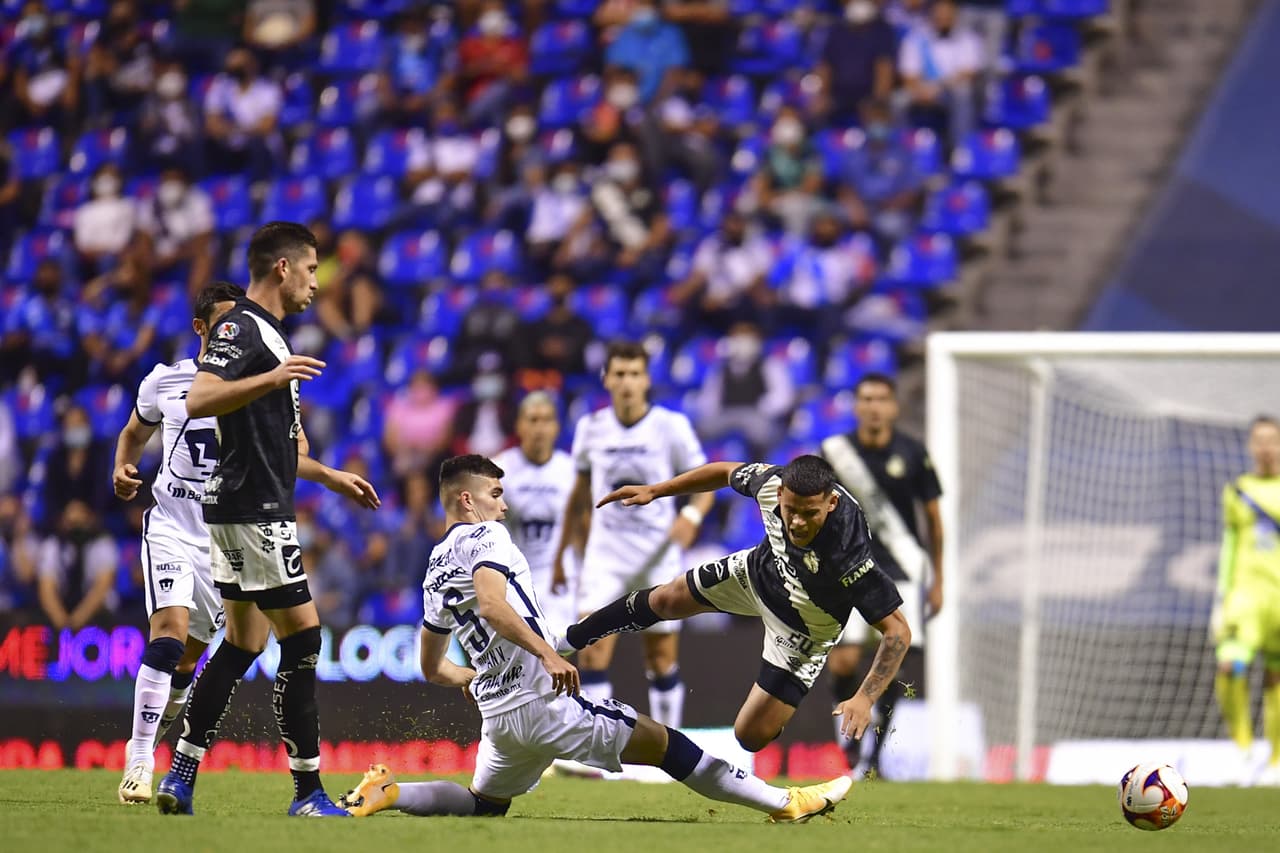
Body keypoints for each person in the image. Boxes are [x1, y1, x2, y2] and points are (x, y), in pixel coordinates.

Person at [336, 454, 851, 823]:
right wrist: (546, 656)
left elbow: (432, 668)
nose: (505, 507)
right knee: (667, 745)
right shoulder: (487, 536)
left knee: (485, 803)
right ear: (467, 500)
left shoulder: (433, 567)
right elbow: (494, 606)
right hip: (543, 703)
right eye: (496, 495)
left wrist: (471, 674)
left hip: (499, 719)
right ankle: (785, 804)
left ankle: (391, 791)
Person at [155, 222, 381, 818]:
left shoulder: (271, 335)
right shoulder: (243, 327)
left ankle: (179, 776)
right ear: (282, 268)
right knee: (304, 639)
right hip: (254, 510)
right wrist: (273, 378)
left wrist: (331, 476)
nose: (315, 282)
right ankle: (307, 793)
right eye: (310, 270)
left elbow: (278, 439)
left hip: (239, 508)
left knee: (242, 642)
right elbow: (199, 398)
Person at [563, 454, 911, 755]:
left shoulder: (850, 553)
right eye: (790, 511)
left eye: (810, 513)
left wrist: (865, 698)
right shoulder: (772, 482)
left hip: (803, 628)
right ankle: (570, 639)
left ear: (830, 504)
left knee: (750, 736)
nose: (797, 523)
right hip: (757, 575)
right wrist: (657, 490)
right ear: (782, 494)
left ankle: (781, 710)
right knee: (667, 597)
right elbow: (723, 472)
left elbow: (897, 631)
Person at [113, 281, 243, 805]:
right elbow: (132, 434)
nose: (233, 334)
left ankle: (156, 728)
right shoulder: (166, 381)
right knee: (167, 632)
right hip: (170, 524)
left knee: (186, 664)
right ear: (201, 328)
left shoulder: (256, 387)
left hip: (224, 543)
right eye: (224, 324)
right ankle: (139, 760)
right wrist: (122, 468)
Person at [552, 341, 713, 729]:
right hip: (605, 558)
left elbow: (706, 483)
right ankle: (598, 747)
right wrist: (563, 554)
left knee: (660, 657)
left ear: (647, 379)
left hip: (658, 555)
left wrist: (691, 515)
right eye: (620, 374)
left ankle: (669, 743)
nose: (627, 382)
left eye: (635, 374)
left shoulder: (670, 427)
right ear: (606, 379)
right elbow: (579, 494)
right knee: (591, 651)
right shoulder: (591, 428)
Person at [820, 372, 942, 779]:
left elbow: (934, 520)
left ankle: (874, 759)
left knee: (895, 666)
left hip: (903, 569)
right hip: (850, 568)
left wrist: (938, 579)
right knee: (843, 660)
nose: (873, 406)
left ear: (893, 406)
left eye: (881, 399)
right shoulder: (835, 453)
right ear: (856, 405)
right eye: (866, 398)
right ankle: (849, 738)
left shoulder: (913, 452)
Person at [1213, 415, 1280, 787]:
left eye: (1273, 439)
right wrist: (1221, 598)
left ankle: (1275, 761)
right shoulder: (1238, 490)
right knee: (1229, 666)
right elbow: (1230, 546)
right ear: (1252, 446)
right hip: (1246, 597)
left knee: (1276, 677)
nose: (1267, 447)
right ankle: (1242, 749)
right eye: (1260, 440)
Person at [493, 393, 578, 636]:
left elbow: (587, 528)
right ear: (519, 425)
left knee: (556, 656)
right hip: (512, 580)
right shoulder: (498, 470)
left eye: (546, 420)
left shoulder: (572, 472)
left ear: (557, 427)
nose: (539, 428)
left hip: (559, 582)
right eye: (533, 420)